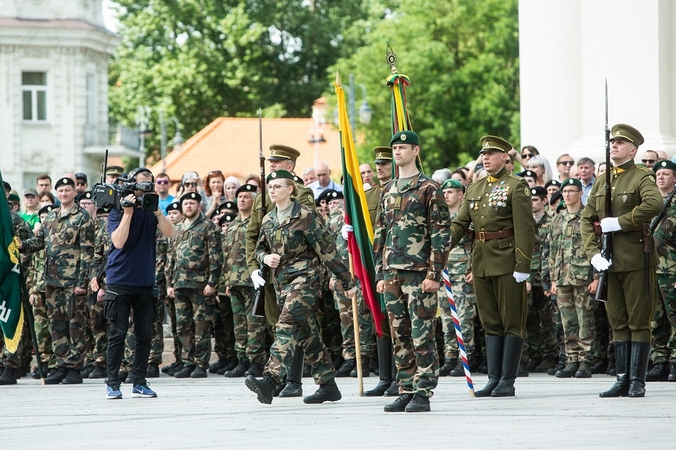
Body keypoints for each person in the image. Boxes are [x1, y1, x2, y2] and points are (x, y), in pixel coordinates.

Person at [245, 170, 356, 405]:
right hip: (283, 284)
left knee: (285, 325)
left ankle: (271, 379)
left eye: (277, 186)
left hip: (305, 282)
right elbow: (259, 248)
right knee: (308, 335)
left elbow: (327, 251)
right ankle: (328, 385)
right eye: (270, 187)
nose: (272, 191)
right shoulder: (268, 219)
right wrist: (265, 258)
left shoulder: (306, 216)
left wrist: (347, 281)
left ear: (290, 189)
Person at [580, 124, 663, 398]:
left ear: (633, 149)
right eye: (612, 141)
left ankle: (637, 380)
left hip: (636, 258)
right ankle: (622, 378)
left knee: (638, 320)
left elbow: (654, 205)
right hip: (608, 261)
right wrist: (592, 253)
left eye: (620, 142)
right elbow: (587, 218)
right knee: (617, 320)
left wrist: (620, 222)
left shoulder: (642, 176)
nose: (614, 145)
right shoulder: (603, 181)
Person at [449, 135, 535, 398]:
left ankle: (508, 380)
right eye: (483, 154)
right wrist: (441, 243)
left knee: (512, 322)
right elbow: (461, 224)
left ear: (504, 157)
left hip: (508, 261)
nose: (485, 158)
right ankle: (494, 377)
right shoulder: (474, 189)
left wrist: (523, 265)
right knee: (490, 322)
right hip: (482, 262)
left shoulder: (516, 186)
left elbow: (524, 228)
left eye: (491, 154)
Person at [373, 131, 452, 413]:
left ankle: (423, 390)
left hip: (419, 273)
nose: (397, 152)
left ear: (416, 150)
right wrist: (380, 274)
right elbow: (380, 233)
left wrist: (435, 273)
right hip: (392, 272)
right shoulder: (388, 189)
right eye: (394, 147)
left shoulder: (429, 188)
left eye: (402, 147)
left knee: (422, 334)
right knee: (400, 334)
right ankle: (405, 387)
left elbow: (441, 233)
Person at [98, 168, 174, 399]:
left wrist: (157, 212)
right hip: (119, 280)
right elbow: (118, 242)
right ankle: (113, 383)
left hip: (144, 281)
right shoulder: (117, 210)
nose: (146, 189)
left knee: (144, 334)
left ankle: (139, 381)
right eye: (142, 185)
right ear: (131, 186)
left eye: (149, 185)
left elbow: (172, 233)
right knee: (118, 333)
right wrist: (128, 213)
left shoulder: (151, 210)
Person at [19, 177, 94, 385]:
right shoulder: (51, 216)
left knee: (75, 324)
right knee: (56, 324)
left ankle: (74, 367)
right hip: (52, 281)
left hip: (73, 281)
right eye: (60, 191)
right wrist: (20, 245)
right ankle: (60, 364)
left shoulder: (82, 217)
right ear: (56, 192)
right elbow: (39, 242)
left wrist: (82, 282)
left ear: (73, 192)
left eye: (68, 190)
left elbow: (88, 251)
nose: (64, 194)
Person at [166, 191, 222, 379]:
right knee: (183, 326)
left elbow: (215, 257)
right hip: (180, 283)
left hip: (200, 285)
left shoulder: (208, 227)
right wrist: (169, 283)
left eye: (192, 203)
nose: (188, 206)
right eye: (186, 203)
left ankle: (200, 364)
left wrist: (212, 282)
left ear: (199, 206)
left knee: (201, 327)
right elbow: (170, 257)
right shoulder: (177, 227)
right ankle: (187, 362)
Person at [548, 178, 598, 378]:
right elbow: (552, 250)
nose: (567, 195)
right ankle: (572, 359)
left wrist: (596, 277)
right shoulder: (557, 219)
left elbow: (597, 248)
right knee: (567, 321)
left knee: (585, 319)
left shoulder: (588, 216)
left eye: (572, 190)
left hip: (583, 277)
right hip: (562, 277)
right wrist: (553, 279)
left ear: (580, 193)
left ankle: (586, 361)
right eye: (565, 191)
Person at [221, 184, 267, 378]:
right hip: (234, 280)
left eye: (246, 197)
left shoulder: (257, 223)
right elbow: (225, 255)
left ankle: (256, 361)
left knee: (254, 323)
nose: (241, 200)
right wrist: (225, 281)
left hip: (252, 279)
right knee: (239, 324)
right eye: (239, 197)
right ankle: (242, 360)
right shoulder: (232, 225)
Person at [439, 179, 479, 377]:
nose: (446, 195)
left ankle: (467, 356)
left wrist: (473, 268)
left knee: (464, 317)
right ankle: (450, 356)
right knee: (446, 318)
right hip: (443, 273)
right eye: (444, 192)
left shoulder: (467, 218)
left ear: (461, 194)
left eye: (451, 192)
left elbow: (475, 246)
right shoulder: (439, 217)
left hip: (462, 272)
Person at [646, 159, 676, 381]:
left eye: (666, 174)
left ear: (674, 178)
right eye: (658, 174)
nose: (661, 177)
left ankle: (675, 361)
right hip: (650, 269)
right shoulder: (649, 202)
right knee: (654, 318)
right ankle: (660, 361)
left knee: (674, 316)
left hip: (671, 270)